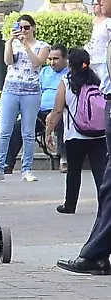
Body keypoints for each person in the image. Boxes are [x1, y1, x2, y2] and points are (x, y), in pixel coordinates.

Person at [0, 14, 47, 182]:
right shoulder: (14, 44)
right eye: (20, 27)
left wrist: (26, 45)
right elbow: (8, 61)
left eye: (26, 28)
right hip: (11, 90)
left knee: (28, 132)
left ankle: (27, 168)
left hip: (31, 91)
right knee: (4, 131)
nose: (23, 31)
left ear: (33, 28)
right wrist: (9, 42)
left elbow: (37, 63)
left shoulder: (42, 46)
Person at [48, 49, 104, 217]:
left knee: (73, 171)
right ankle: (105, 206)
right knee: (100, 172)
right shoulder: (98, 82)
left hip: (75, 135)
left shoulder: (66, 82)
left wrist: (49, 131)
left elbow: (58, 110)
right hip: (98, 134)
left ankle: (70, 204)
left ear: (70, 65)